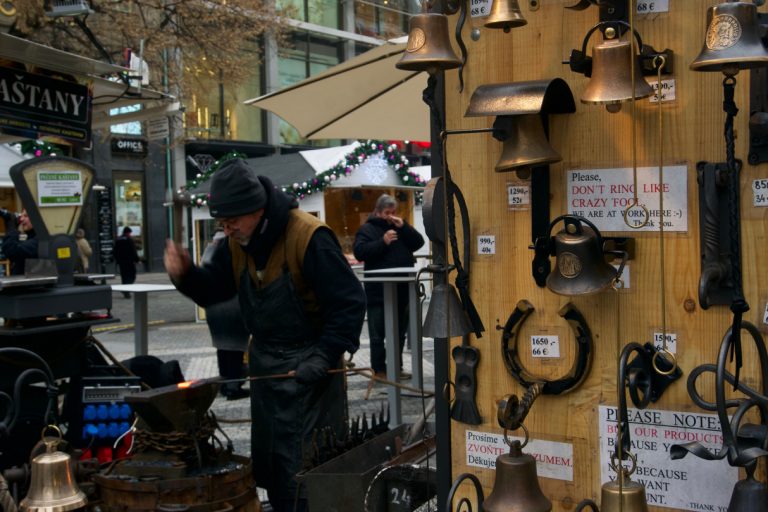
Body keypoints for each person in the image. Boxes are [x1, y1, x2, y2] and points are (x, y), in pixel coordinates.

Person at [164, 159, 366, 512]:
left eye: (232, 221)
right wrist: (186, 275)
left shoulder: (309, 237)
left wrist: (323, 356)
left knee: (308, 468)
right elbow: (214, 289)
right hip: (266, 369)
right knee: (272, 464)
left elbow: (349, 304)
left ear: (256, 210)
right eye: (221, 223)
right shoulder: (236, 244)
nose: (227, 230)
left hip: (311, 370)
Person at [353, 194, 424, 382]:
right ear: (377, 211)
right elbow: (360, 252)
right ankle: (379, 370)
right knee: (378, 335)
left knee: (400, 333)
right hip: (378, 292)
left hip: (402, 290)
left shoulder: (399, 228)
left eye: (393, 212)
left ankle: (396, 367)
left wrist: (405, 227)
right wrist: (382, 242)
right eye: (387, 213)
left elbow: (419, 243)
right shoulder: (367, 229)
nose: (390, 216)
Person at [202, 229, 249, 401]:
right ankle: (233, 385)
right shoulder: (231, 249)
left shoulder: (208, 251)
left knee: (222, 348)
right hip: (232, 305)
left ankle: (224, 383)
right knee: (236, 348)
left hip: (213, 307)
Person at [1, 209, 38, 276]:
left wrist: (11, 226)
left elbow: (10, 250)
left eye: (26, 216)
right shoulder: (29, 238)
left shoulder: (38, 241)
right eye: (21, 216)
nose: (21, 219)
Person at [114, 226, 139, 298]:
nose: (130, 234)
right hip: (129, 262)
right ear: (128, 233)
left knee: (124, 277)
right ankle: (126, 290)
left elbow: (115, 251)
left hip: (122, 262)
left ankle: (125, 290)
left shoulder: (118, 240)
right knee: (132, 276)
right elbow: (133, 251)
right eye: (130, 233)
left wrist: (118, 260)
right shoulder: (129, 240)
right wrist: (136, 259)